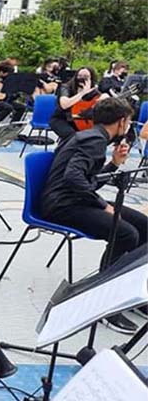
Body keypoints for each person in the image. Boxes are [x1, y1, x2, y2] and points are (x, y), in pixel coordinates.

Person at [41, 97, 148, 334]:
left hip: (75, 199)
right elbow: (73, 179)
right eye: (128, 121)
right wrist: (101, 204)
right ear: (121, 122)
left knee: (145, 226)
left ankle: (129, 293)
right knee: (126, 234)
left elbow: (87, 182)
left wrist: (113, 164)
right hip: (62, 205)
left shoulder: (92, 137)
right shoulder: (94, 141)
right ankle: (104, 303)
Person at [49, 67, 104, 142]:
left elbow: (102, 98)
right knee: (73, 136)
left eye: (86, 77)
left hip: (80, 120)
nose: (82, 78)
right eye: (79, 76)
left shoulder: (93, 91)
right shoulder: (66, 87)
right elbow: (64, 105)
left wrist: (104, 97)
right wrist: (82, 93)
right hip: (62, 119)